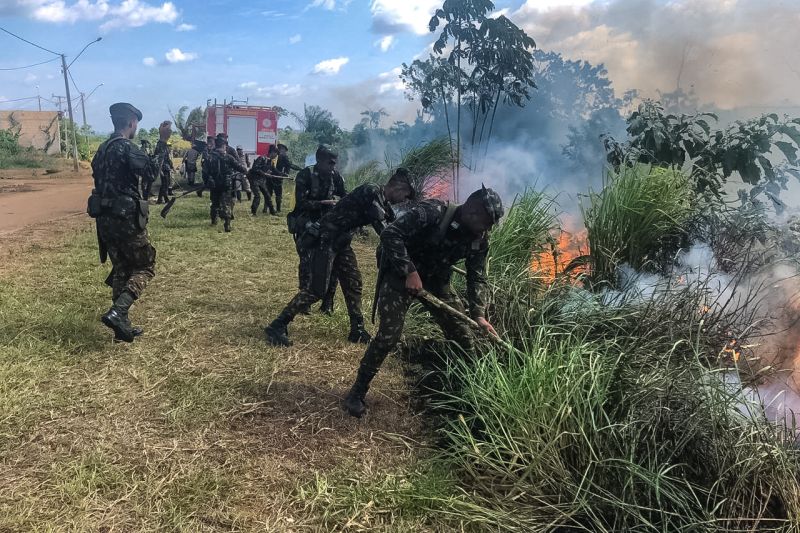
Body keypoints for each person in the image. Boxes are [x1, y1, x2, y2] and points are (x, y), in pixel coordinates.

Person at [342, 186, 504, 418]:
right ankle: (356, 393)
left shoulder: (480, 240)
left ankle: (471, 396)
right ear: (472, 210)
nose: (487, 230)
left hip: (437, 281)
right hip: (400, 273)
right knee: (389, 336)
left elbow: (476, 276)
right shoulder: (433, 212)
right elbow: (390, 234)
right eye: (486, 222)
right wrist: (409, 271)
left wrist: (478, 313)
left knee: (464, 337)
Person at [264, 169, 416, 347]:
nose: (404, 201)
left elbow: (392, 222)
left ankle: (357, 329)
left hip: (341, 242)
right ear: (398, 187)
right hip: (325, 240)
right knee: (317, 290)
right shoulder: (371, 191)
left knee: (353, 283)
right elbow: (385, 230)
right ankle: (277, 325)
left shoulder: (381, 198)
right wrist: (408, 265)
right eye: (406, 196)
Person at [87, 103, 170, 342]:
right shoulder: (126, 148)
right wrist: (162, 142)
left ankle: (120, 325)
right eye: (136, 124)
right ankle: (118, 312)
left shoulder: (101, 150)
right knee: (145, 266)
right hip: (125, 219)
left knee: (122, 268)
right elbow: (152, 171)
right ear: (132, 123)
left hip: (104, 220)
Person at [288, 145, 346, 291]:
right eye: (330, 162)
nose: (333, 166)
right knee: (306, 260)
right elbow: (301, 203)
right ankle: (304, 295)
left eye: (334, 163)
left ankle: (327, 301)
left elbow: (345, 196)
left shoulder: (335, 176)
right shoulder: (305, 175)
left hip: (328, 225)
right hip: (307, 223)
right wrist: (322, 203)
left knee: (330, 262)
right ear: (319, 160)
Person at [202, 134, 247, 232]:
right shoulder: (228, 157)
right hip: (226, 184)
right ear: (224, 145)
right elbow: (241, 168)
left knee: (214, 203)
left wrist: (206, 182)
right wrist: (246, 170)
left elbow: (205, 172)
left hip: (214, 185)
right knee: (226, 203)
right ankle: (227, 224)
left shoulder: (210, 157)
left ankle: (214, 221)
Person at [248, 145, 279, 216]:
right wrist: (264, 173)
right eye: (276, 154)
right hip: (254, 179)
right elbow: (254, 168)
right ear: (273, 152)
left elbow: (275, 171)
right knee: (257, 196)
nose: (276, 156)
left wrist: (284, 175)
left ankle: (272, 212)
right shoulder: (261, 158)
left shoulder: (270, 162)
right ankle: (253, 212)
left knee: (267, 196)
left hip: (262, 181)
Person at [273, 143, 301, 213]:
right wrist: (300, 169)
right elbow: (290, 165)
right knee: (278, 194)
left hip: (272, 176)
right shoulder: (282, 157)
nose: (285, 152)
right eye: (284, 150)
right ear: (281, 150)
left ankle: (267, 208)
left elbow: (288, 166)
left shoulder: (274, 156)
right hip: (277, 177)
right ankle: (278, 209)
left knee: (269, 193)